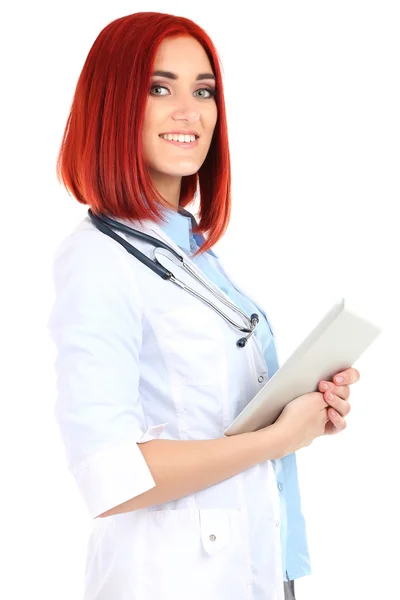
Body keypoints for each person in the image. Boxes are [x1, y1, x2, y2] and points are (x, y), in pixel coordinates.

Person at [47, 11, 360, 600]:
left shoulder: (191, 251)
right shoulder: (96, 259)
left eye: (204, 90)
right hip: (174, 576)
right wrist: (277, 439)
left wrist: (301, 412)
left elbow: (208, 412)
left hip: (258, 565)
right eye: (159, 88)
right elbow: (109, 477)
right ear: (113, 105)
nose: (189, 110)